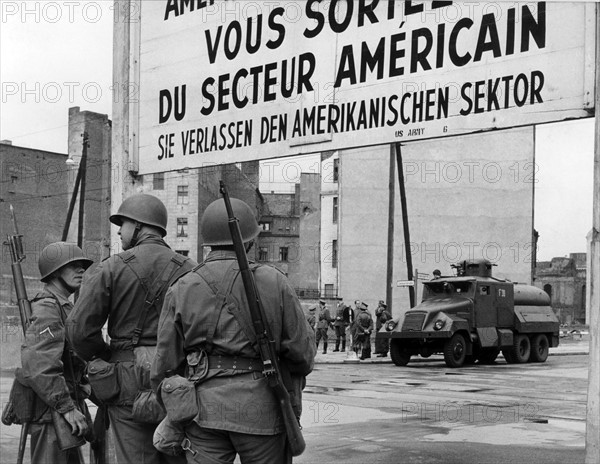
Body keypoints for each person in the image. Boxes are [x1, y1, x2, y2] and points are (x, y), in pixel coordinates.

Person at [151, 197, 315, 464]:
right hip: (262, 410)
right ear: (249, 239)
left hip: (203, 412)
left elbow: (164, 366)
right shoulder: (275, 281)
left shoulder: (182, 287)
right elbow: (302, 354)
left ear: (208, 241)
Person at [66, 193, 196, 464]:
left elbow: (79, 331)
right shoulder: (192, 271)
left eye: (122, 224)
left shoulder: (111, 268)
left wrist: (109, 355)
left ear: (138, 225)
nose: (119, 231)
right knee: (177, 454)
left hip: (125, 381)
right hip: (177, 380)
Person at [21, 242, 93, 464]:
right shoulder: (48, 308)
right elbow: (39, 365)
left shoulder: (63, 307)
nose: (81, 269)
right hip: (53, 413)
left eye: (82, 265)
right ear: (54, 271)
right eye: (73, 265)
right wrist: (67, 409)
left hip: (64, 410)